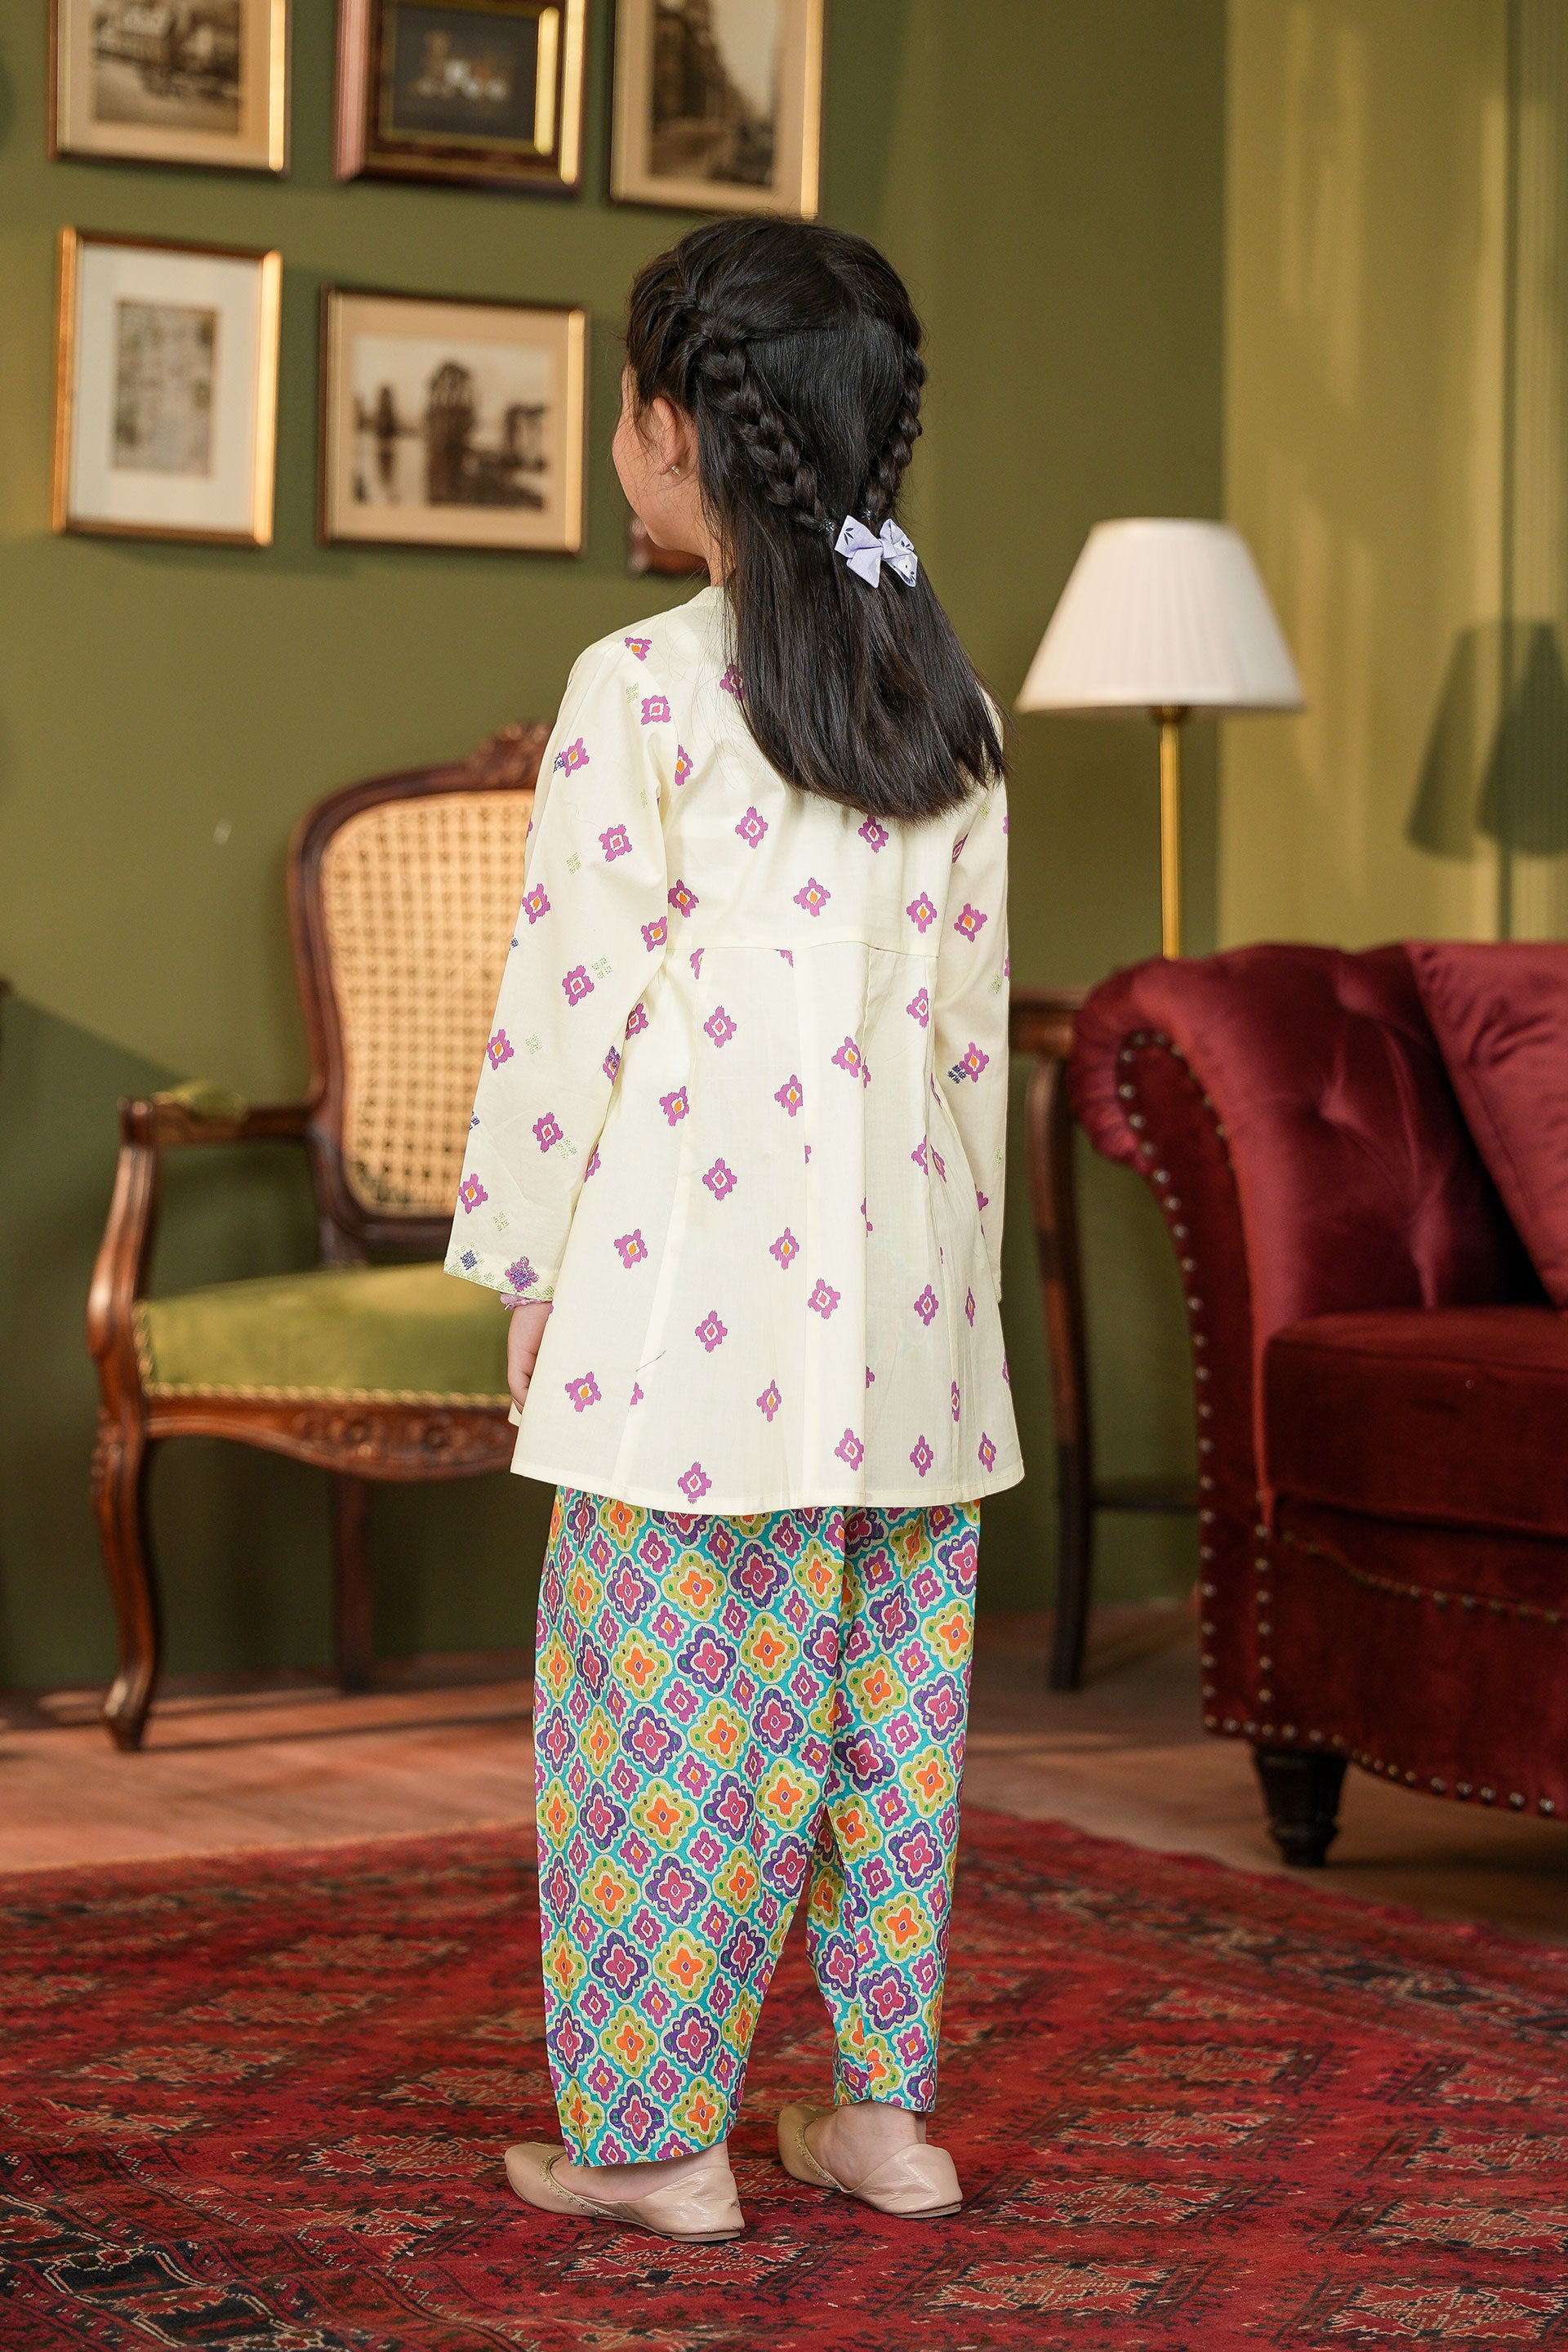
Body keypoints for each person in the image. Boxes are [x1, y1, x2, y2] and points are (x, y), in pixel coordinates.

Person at [446, 216, 1021, 2243]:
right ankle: (884, 2119)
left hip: (680, 1314)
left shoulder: (637, 690)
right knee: (884, 1726)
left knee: (661, 1723)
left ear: (674, 430)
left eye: (630, 404)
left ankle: (655, 2144)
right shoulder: (951, 707)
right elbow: (970, 1046)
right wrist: (965, 1308)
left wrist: (525, 1265)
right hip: (910, 1320)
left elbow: (568, 1008)